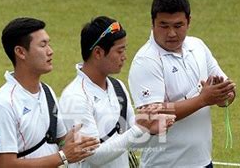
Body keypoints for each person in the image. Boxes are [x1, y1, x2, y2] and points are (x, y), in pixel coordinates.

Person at [128, 0, 236, 167]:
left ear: (189, 21)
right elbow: (151, 114)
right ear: (152, 23)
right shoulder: (146, 60)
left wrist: (224, 95)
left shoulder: (197, 46)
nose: (171, 33)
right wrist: (203, 99)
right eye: (164, 25)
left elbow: (226, 91)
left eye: (178, 26)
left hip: (203, 162)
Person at [59, 16, 175, 168]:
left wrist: (149, 131)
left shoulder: (117, 87)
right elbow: (93, 156)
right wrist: (139, 128)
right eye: (119, 51)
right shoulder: (75, 97)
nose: (124, 57)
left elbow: (130, 143)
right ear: (98, 53)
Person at [0, 17, 100, 167]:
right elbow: (7, 165)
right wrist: (64, 156)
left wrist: (72, 140)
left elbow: (58, 141)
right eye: (43, 45)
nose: (50, 51)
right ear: (20, 52)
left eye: (49, 44)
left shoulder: (47, 91)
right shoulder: (3, 104)